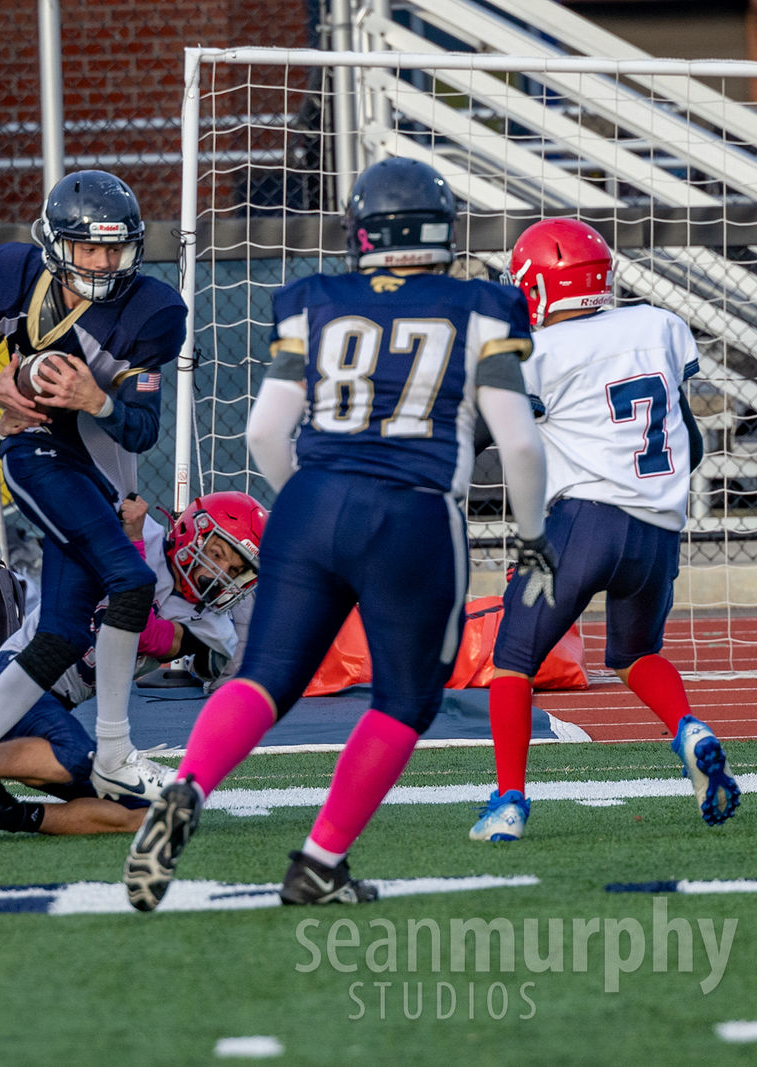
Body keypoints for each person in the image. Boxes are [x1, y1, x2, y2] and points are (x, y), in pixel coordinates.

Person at [122, 157, 558, 910]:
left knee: (265, 676)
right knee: (405, 699)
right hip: (413, 513)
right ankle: (321, 861)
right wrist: (533, 535)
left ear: (362, 233)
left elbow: (264, 432)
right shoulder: (483, 306)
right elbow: (519, 444)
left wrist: (307, 500)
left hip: (313, 501)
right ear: (441, 229)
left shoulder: (317, 299)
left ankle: (188, 785)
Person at [0, 169, 187, 845]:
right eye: (89, 248)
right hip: (36, 453)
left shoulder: (151, 310)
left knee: (61, 630)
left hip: (93, 474)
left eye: (114, 248)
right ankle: (114, 749)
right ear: (58, 245)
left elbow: (142, 430)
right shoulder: (15, 277)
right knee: (131, 581)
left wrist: (99, 401)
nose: (104, 262)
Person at [471, 218, 737, 841]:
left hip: (583, 525)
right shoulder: (657, 326)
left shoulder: (537, 354)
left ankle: (509, 800)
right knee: (636, 654)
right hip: (658, 531)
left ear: (540, 286)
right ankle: (689, 730)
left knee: (512, 661)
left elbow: (480, 439)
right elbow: (693, 446)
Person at [0, 491, 263, 837]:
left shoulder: (212, 627)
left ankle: (0, 812)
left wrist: (134, 546)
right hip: (13, 678)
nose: (220, 575)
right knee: (76, 755)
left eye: (235, 570)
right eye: (216, 555)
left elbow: (144, 634)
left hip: (52, 711)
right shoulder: (137, 531)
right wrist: (133, 540)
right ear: (193, 531)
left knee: (149, 809)